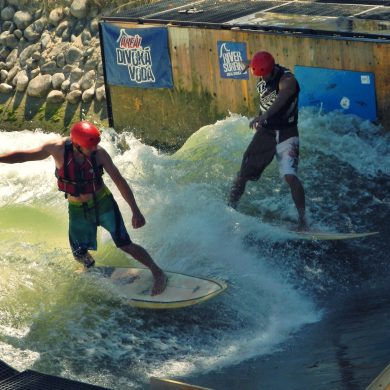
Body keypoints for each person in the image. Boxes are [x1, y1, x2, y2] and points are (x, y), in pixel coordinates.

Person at [0, 121, 167, 295]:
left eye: (95, 145)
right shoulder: (57, 149)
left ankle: (158, 273)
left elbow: (119, 180)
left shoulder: (100, 153)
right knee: (79, 253)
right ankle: (92, 271)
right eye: (90, 147)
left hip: (103, 204)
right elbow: (24, 156)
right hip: (78, 209)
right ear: (76, 145)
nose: (94, 149)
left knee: (125, 244)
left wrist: (135, 210)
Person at [229, 51, 307, 230]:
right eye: (259, 74)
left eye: (264, 74)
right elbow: (250, 63)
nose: (262, 77)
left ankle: (303, 221)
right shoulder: (259, 69)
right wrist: (246, 63)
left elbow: (281, 99)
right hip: (266, 133)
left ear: (272, 69)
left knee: (290, 177)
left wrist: (264, 116)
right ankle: (230, 209)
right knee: (242, 175)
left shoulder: (287, 80)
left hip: (287, 132)